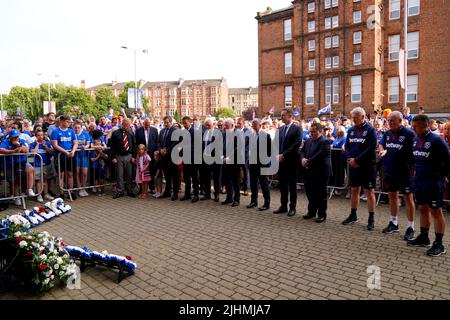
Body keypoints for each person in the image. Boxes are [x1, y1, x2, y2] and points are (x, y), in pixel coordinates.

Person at [407, 115, 450, 257]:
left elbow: (447, 162)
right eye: (412, 126)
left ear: (426, 125)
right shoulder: (415, 140)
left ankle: (439, 244)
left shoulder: (437, 140)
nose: (413, 128)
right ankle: (424, 237)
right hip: (419, 182)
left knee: (436, 211)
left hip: (434, 183)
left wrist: (440, 176)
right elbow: (414, 160)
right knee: (423, 209)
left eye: (416, 126)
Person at [378, 111, 416, 240]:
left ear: (400, 121)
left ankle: (411, 227)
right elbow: (380, 143)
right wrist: (382, 150)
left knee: (408, 199)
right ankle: (393, 223)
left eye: (392, 120)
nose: (389, 123)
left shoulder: (409, 134)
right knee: (392, 196)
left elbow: (415, 152)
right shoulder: (387, 133)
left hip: (405, 172)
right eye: (388, 121)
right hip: (390, 171)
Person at [342, 107, 377, 230]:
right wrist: (350, 159)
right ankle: (353, 215)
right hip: (353, 166)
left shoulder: (371, 130)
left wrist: (357, 160)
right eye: (353, 118)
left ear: (363, 117)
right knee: (354, 190)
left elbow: (371, 147)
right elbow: (347, 146)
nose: (353, 120)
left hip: (367, 166)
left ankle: (371, 218)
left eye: (356, 118)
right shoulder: (351, 130)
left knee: (369, 192)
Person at [274, 108, 303, 217]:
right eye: (281, 115)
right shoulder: (280, 129)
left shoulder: (297, 129)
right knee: (282, 185)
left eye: (283, 115)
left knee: (292, 185)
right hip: (281, 162)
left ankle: (292, 207)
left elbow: (296, 144)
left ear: (290, 116)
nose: (281, 117)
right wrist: (277, 155)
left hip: (292, 161)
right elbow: (276, 143)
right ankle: (283, 205)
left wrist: (284, 155)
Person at [300, 123, 332, 223]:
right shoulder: (308, 141)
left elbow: (320, 154)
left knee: (321, 193)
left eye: (314, 131)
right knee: (310, 192)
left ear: (320, 131)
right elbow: (302, 151)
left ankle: (322, 214)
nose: (311, 133)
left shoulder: (325, 141)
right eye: (310, 131)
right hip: (309, 170)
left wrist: (307, 161)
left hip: (321, 171)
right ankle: (311, 211)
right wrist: (302, 159)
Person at [0, 129, 36, 206]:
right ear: (10, 137)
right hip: (9, 164)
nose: (16, 138)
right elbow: (1, 150)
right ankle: (16, 197)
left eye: (17, 136)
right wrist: (13, 151)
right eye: (14, 137)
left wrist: (19, 146)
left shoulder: (22, 140)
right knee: (14, 180)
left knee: (30, 170)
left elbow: (26, 149)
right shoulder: (5, 141)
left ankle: (29, 189)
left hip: (21, 162)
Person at [50, 115, 78, 200]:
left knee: (70, 174)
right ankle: (61, 193)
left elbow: (75, 142)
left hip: (70, 156)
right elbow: (55, 144)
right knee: (61, 175)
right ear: (62, 121)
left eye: (70, 122)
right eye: (67, 121)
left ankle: (70, 192)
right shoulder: (55, 131)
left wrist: (73, 150)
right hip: (60, 156)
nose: (69, 123)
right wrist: (65, 152)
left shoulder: (71, 131)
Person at [247, 119, 271, 211]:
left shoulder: (266, 135)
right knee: (253, 184)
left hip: (262, 164)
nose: (253, 127)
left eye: (255, 125)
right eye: (252, 125)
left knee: (264, 183)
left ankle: (266, 203)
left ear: (259, 125)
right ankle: (254, 201)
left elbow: (269, 150)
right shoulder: (251, 135)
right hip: (253, 163)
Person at [110, 118, 136, 199]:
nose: (129, 126)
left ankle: (129, 190)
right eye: (127, 125)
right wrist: (113, 157)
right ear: (123, 124)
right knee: (119, 175)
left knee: (129, 174)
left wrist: (133, 156)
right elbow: (112, 146)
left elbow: (134, 145)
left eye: (129, 125)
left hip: (129, 156)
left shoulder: (131, 133)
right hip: (119, 156)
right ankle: (120, 191)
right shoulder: (115, 133)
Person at [30, 129, 55, 203]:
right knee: (38, 180)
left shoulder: (47, 143)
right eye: (38, 135)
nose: (40, 137)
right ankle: (39, 194)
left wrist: (46, 147)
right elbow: (32, 154)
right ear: (36, 136)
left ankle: (46, 194)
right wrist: (37, 145)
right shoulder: (32, 144)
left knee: (45, 180)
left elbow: (52, 152)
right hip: (37, 165)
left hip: (46, 164)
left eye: (41, 135)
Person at [135, 118, 159, 193]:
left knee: (152, 170)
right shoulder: (138, 130)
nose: (147, 126)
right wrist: (139, 152)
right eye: (146, 125)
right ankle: (142, 189)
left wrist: (156, 151)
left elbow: (157, 142)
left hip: (151, 154)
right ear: (143, 124)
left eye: (148, 125)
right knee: (141, 170)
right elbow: (136, 142)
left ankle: (152, 188)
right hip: (141, 154)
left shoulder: (154, 130)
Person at [200, 118, 222, 202]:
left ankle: (216, 194)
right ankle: (207, 194)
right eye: (206, 125)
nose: (207, 126)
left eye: (209, 125)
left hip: (216, 158)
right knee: (206, 177)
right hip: (206, 158)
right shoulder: (204, 133)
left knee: (216, 177)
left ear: (213, 124)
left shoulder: (218, 133)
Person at [180, 116, 201, 202]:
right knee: (186, 177)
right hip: (185, 158)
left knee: (194, 177)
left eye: (185, 123)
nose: (184, 125)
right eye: (183, 123)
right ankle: (187, 194)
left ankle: (196, 195)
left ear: (190, 122)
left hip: (193, 158)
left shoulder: (195, 132)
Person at [158, 116, 179, 200]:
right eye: (164, 122)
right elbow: (159, 142)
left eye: (167, 122)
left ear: (171, 122)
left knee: (174, 176)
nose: (165, 124)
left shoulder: (175, 130)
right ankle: (167, 192)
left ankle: (175, 193)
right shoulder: (162, 131)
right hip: (164, 157)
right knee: (166, 175)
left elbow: (175, 142)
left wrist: (167, 150)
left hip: (172, 156)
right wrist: (160, 150)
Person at [221, 119, 241, 207]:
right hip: (225, 161)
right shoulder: (224, 134)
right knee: (227, 180)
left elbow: (238, 148)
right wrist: (222, 156)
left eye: (226, 125)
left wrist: (230, 157)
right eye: (224, 125)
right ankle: (229, 197)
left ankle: (237, 199)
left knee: (235, 181)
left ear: (232, 125)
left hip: (234, 161)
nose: (225, 127)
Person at [74, 120, 91, 197]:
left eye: (78, 128)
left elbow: (88, 144)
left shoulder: (85, 134)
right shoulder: (73, 134)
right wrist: (78, 147)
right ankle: (79, 188)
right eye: (76, 128)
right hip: (76, 156)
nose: (77, 129)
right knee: (77, 172)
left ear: (81, 127)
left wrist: (85, 147)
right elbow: (72, 145)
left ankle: (84, 188)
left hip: (84, 155)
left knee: (84, 173)